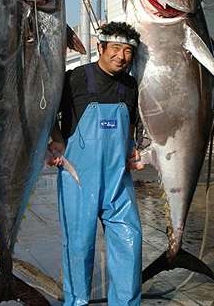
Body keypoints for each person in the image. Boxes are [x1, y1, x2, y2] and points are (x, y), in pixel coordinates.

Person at [47, 22, 144, 305]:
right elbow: (46, 111)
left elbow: (133, 126)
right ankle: (76, 302)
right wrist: (54, 141)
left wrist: (134, 149)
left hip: (118, 183)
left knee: (130, 243)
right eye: (115, 48)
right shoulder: (75, 78)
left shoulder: (130, 85)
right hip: (78, 178)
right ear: (100, 47)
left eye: (128, 51)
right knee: (79, 247)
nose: (121, 56)